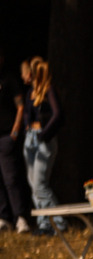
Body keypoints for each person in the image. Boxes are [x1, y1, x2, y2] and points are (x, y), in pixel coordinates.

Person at [21, 57, 65, 235]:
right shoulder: (31, 91)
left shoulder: (48, 90)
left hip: (43, 141)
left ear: (32, 74)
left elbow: (58, 115)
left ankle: (60, 223)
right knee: (34, 185)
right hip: (30, 141)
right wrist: (27, 130)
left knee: (40, 184)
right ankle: (44, 224)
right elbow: (26, 113)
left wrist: (43, 134)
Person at [0, 48, 31, 234]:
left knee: (11, 177)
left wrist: (14, 132)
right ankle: (4, 218)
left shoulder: (9, 79)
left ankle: (21, 218)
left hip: (6, 137)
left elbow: (20, 107)